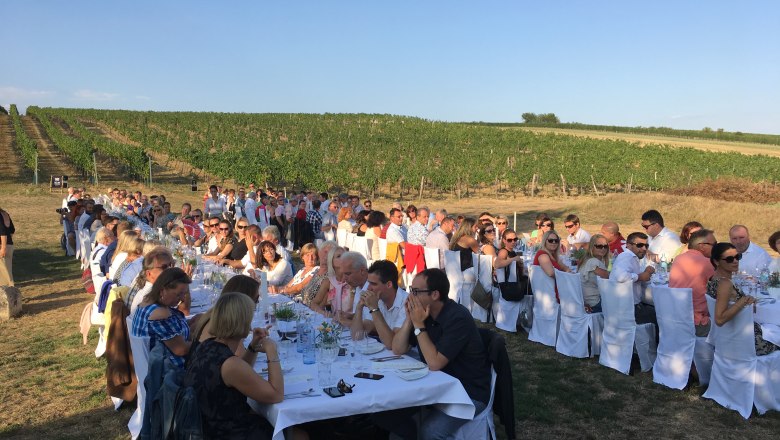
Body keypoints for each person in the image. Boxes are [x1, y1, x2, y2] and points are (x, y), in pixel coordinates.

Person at [379, 269, 490, 439]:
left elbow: (435, 363)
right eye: (410, 290)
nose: (411, 296)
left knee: (430, 432)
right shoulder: (425, 314)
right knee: (387, 413)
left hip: (467, 393)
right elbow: (398, 348)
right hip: (434, 386)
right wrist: (410, 319)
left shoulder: (458, 317)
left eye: (416, 291)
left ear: (435, 294)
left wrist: (419, 324)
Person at [184, 293, 286, 440]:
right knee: (297, 433)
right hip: (226, 433)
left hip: (207, 425)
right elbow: (276, 395)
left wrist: (252, 347)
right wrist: (272, 351)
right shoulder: (230, 365)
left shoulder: (208, 345)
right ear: (242, 320)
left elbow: (239, 371)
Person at [707, 242, 778, 356]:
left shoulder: (714, 278)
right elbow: (719, 320)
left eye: (737, 257)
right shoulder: (725, 284)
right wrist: (743, 300)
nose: (735, 261)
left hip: (730, 336)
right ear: (716, 261)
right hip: (746, 341)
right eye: (729, 259)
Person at [131, 268, 192, 369]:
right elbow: (181, 350)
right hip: (171, 375)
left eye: (184, 294)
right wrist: (204, 342)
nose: (182, 299)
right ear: (163, 290)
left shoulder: (147, 302)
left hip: (154, 368)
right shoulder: (160, 314)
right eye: (179, 294)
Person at [351, 260, 409, 349]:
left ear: (389, 284)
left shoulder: (406, 302)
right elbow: (356, 335)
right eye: (368, 283)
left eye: (373, 284)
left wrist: (374, 309)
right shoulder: (378, 299)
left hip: (410, 359)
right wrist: (359, 307)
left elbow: (391, 344)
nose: (369, 288)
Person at [669, 229, 717, 336]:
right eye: (714, 244)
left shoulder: (678, 259)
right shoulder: (707, 263)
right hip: (697, 324)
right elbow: (721, 288)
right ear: (701, 246)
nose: (716, 248)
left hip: (676, 320)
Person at [610, 232, 657, 325]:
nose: (644, 249)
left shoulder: (633, 257)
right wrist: (640, 276)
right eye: (640, 245)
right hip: (629, 309)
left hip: (625, 306)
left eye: (646, 245)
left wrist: (646, 272)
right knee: (661, 317)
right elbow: (620, 276)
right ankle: (646, 339)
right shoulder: (627, 256)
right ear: (628, 245)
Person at [127, 247, 175, 316]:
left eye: (171, 265)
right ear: (149, 273)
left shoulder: (155, 290)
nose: (169, 270)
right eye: (164, 267)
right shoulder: (152, 296)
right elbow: (183, 312)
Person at [577, 234, 611, 313]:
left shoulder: (586, 260)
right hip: (595, 303)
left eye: (605, 246)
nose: (603, 249)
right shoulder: (594, 262)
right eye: (599, 246)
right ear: (592, 247)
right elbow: (609, 280)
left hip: (585, 301)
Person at [533, 230, 570, 301]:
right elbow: (551, 273)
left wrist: (567, 271)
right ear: (545, 241)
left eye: (556, 241)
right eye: (550, 240)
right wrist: (566, 275)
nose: (553, 242)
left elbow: (565, 267)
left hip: (554, 289)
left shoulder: (553, 256)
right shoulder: (542, 254)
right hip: (549, 294)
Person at [296, 241, 336, 307]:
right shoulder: (316, 272)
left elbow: (321, 305)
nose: (327, 256)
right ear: (319, 253)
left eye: (331, 254)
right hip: (302, 306)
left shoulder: (330, 277)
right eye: (325, 252)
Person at [0, 203, 16, 287]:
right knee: (8, 271)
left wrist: (3, 247)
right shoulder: (5, 214)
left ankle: (9, 293)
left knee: (4, 274)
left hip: (3, 246)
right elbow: (12, 230)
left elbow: (2, 232)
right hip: (9, 245)